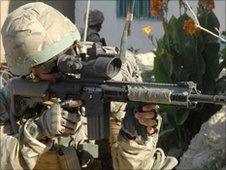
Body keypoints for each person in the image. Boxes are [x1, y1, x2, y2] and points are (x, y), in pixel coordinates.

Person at [0, 2, 177, 169]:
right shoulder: (11, 99)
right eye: (48, 65)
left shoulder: (107, 73)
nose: (62, 69)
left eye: (67, 55)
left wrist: (133, 137)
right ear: (28, 72)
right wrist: (38, 129)